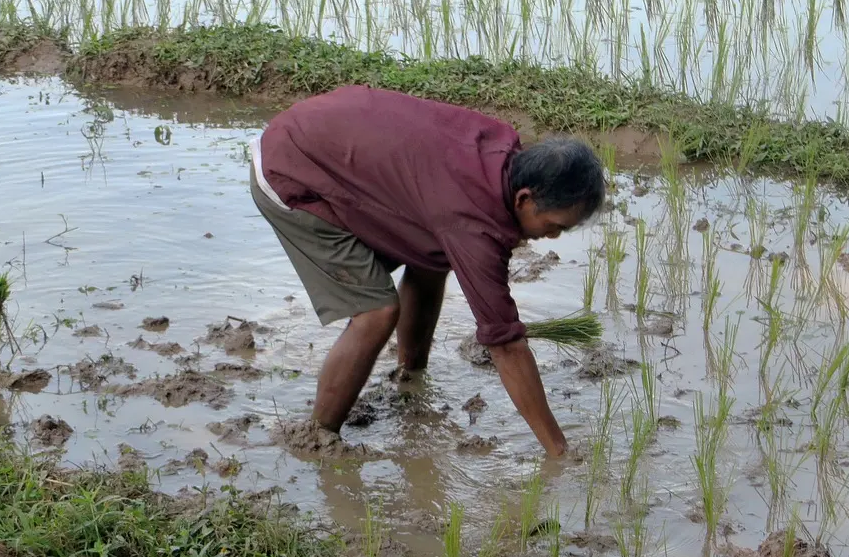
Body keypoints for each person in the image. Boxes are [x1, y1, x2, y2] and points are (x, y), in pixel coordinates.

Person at [249, 85, 606, 457]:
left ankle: (409, 375)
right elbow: (506, 346)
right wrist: (559, 451)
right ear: (524, 199)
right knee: (376, 311)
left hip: (324, 129)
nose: (551, 236)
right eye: (555, 225)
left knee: (432, 258)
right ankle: (319, 436)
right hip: (288, 170)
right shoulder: (471, 222)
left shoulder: (500, 149)